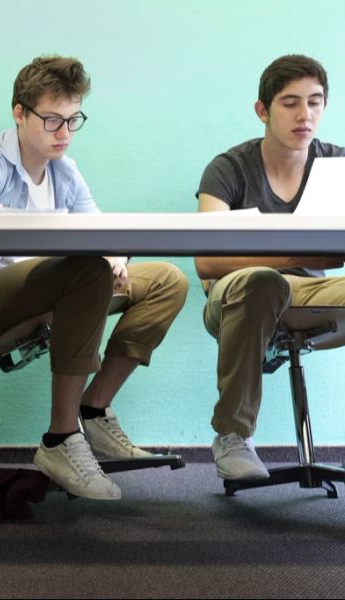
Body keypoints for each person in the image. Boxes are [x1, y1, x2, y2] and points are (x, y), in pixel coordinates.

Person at [0, 55, 187, 501]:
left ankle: (93, 409)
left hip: (60, 288)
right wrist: (55, 242)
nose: (63, 133)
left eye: (72, 119)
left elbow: (99, 230)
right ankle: (61, 438)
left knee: (166, 280)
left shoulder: (65, 171)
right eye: (51, 120)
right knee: (84, 268)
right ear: (19, 113)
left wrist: (116, 257)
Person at [195, 54, 345, 481]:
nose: (305, 115)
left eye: (315, 102)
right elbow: (207, 260)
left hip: (311, 294)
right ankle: (233, 434)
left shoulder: (338, 164)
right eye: (290, 102)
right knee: (262, 281)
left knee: (275, 282)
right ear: (263, 110)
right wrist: (293, 257)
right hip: (235, 295)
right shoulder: (229, 168)